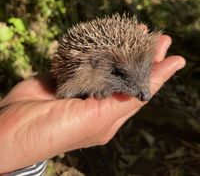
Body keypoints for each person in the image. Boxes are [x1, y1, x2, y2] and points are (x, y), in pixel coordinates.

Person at [0, 35, 186, 175]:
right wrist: (16, 147)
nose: (145, 93)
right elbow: (66, 90)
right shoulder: (83, 72)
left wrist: (16, 150)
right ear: (96, 63)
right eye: (121, 74)